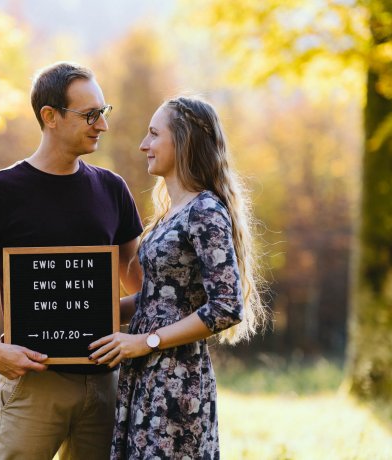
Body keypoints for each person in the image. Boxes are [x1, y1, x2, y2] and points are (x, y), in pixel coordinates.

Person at [0, 62, 144, 460]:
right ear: (49, 116)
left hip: (106, 387)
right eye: (89, 115)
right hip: (32, 387)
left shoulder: (112, 190)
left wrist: (97, 314)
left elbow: (143, 291)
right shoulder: (0, 192)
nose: (101, 125)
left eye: (104, 112)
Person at [89, 96, 267, 459]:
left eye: (154, 134)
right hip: (146, 374)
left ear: (183, 141)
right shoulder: (173, 212)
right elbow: (160, 298)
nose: (144, 145)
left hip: (177, 381)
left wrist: (147, 342)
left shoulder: (205, 211)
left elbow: (227, 307)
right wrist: (84, 316)